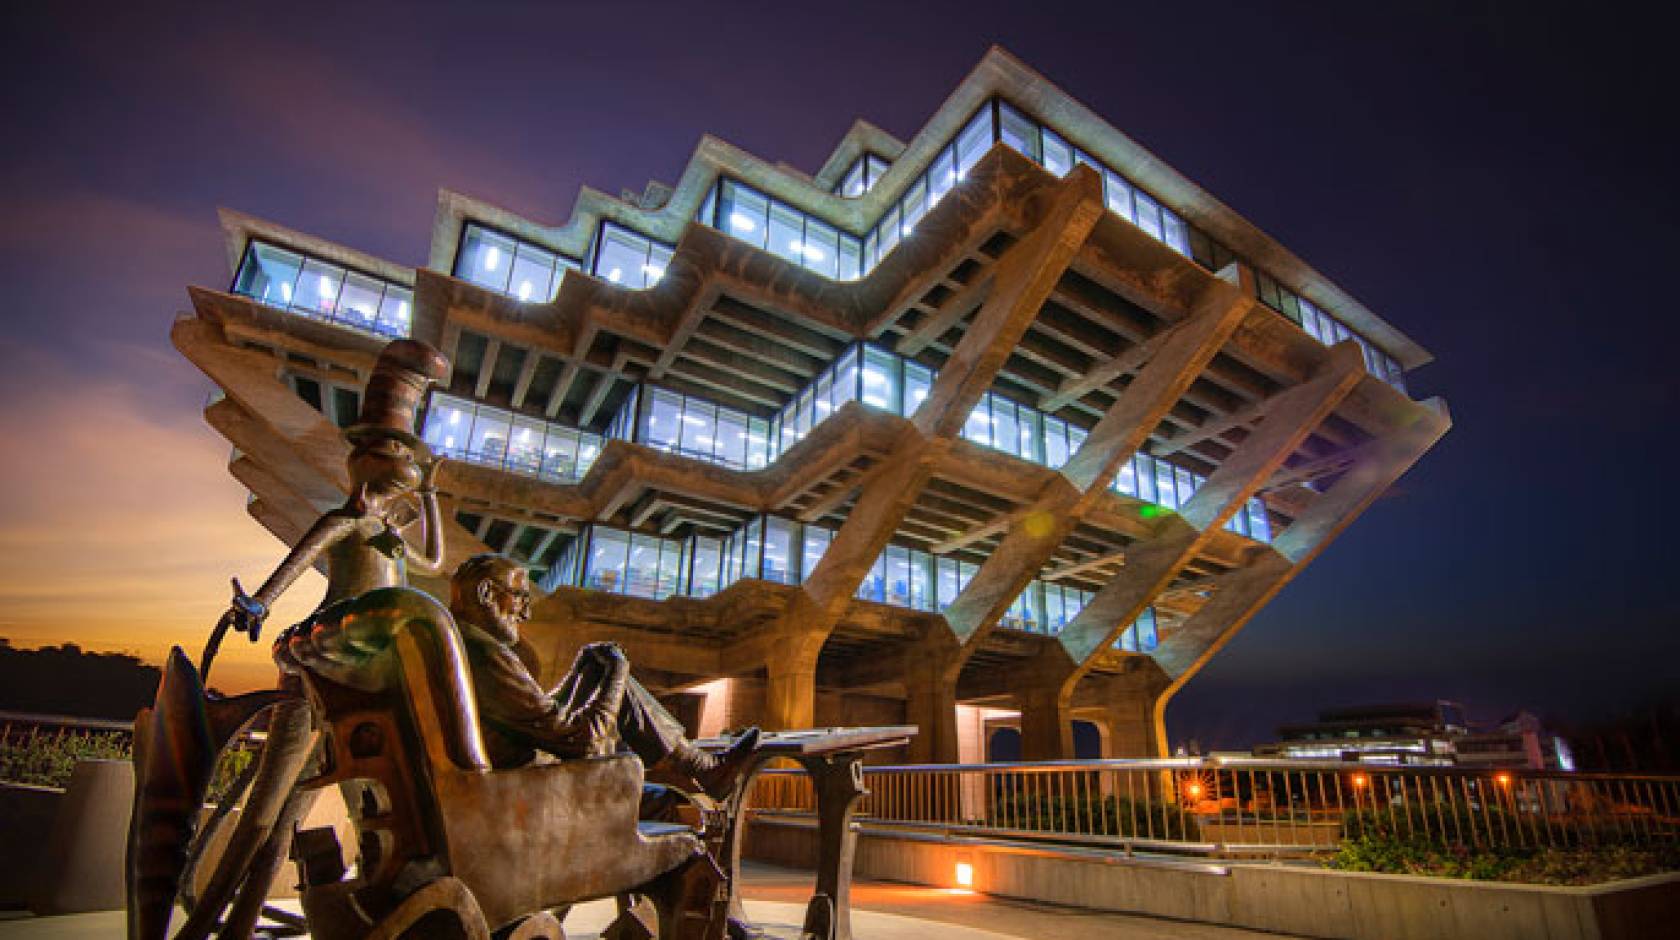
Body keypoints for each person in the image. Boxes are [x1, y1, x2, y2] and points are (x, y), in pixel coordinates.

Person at [217, 340, 451, 672]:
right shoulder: (347, 520)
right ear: (363, 458)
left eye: (409, 456)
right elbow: (300, 558)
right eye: (397, 450)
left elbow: (433, 564)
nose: (409, 466)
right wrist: (260, 603)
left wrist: (429, 495)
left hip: (385, 629)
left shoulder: (387, 528)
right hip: (344, 628)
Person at [450, 553, 760, 799]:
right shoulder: (486, 654)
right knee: (663, 798)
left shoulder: (461, 642)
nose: (525, 613)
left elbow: (540, 720)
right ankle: (704, 769)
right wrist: (618, 673)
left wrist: (582, 672)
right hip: (524, 782)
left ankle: (704, 768)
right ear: (487, 593)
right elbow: (582, 742)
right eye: (520, 597)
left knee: (598, 670)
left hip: (509, 767)